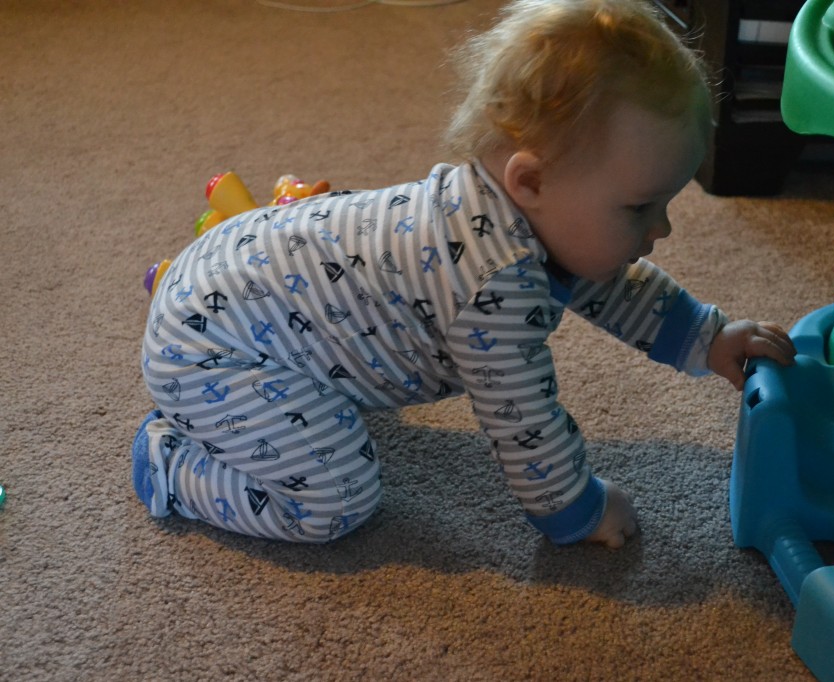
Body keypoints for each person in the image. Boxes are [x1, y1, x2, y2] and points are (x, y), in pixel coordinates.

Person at [132, 0, 796, 548]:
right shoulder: (495, 287)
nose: (662, 229)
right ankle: (170, 465)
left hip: (230, 292)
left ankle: (247, 411)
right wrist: (578, 510)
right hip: (212, 352)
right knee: (336, 501)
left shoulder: (523, 214)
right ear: (529, 180)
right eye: (640, 207)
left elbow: (608, 279)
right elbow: (524, 422)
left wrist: (706, 338)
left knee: (330, 429)